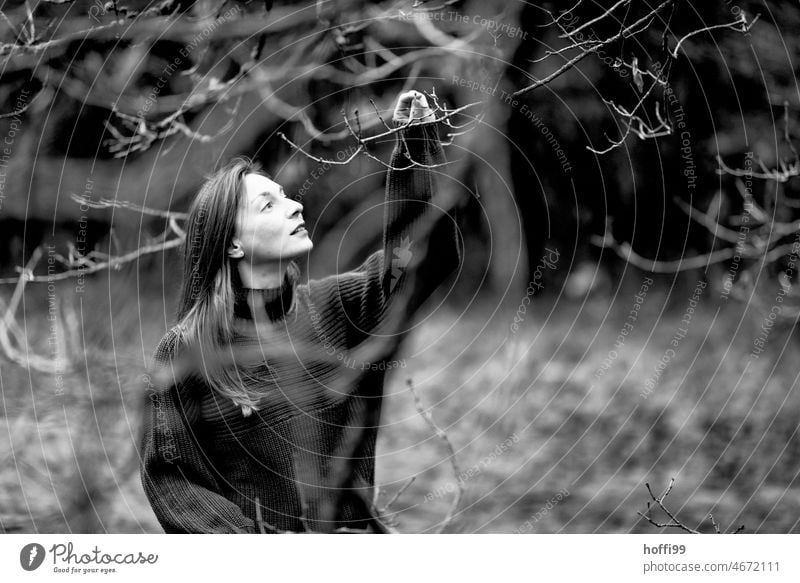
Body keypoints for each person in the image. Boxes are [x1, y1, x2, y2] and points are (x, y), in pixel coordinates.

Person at [139, 90, 461, 533]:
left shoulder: (339, 306)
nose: (295, 205)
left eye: (286, 195)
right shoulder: (188, 349)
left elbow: (425, 252)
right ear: (232, 243)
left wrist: (416, 149)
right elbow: (175, 483)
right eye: (268, 204)